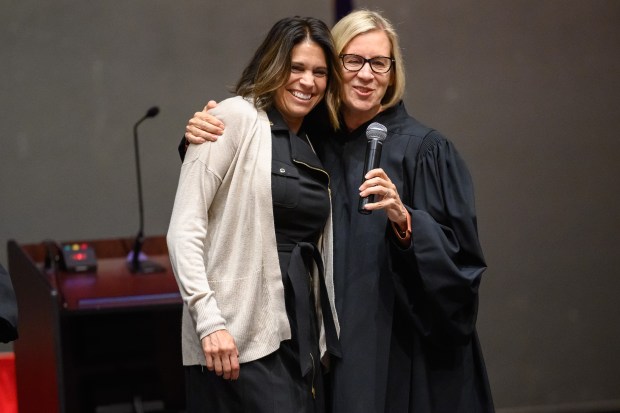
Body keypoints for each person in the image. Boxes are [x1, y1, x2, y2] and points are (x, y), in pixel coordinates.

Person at [182, 9, 494, 413]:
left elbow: (462, 270)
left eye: (380, 62)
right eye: (353, 60)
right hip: (319, 347)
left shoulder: (425, 151)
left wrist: (406, 222)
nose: (367, 74)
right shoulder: (309, 141)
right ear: (333, 68)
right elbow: (239, 176)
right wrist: (200, 134)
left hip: (403, 348)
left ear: (393, 71)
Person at [166, 16, 343, 413]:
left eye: (319, 72)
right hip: (233, 332)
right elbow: (184, 230)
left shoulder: (316, 142)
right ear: (272, 65)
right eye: (296, 67)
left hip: (297, 329)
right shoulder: (234, 117)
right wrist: (209, 320)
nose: (307, 82)